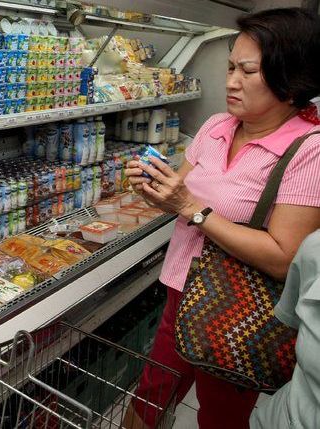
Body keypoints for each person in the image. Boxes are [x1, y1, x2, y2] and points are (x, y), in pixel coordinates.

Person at [122, 8, 320, 429]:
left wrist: (191, 208)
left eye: (247, 71)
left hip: (239, 310)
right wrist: (156, 188)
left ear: (290, 78)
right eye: (230, 67)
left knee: (221, 416)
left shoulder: (309, 151)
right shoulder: (217, 127)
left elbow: (285, 256)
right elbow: (182, 199)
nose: (230, 81)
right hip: (181, 290)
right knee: (151, 395)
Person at [249, 230, 320, 428]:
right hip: (280, 417)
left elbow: (282, 259)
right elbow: (291, 320)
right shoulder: (315, 248)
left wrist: (193, 211)